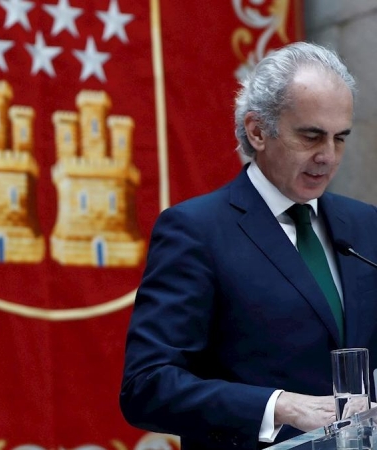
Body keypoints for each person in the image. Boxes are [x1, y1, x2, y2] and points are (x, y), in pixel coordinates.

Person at [119, 41, 377, 449]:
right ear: (258, 131)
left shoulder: (365, 227)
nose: (328, 156)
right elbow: (148, 385)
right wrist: (279, 406)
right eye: (311, 136)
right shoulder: (196, 231)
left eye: (339, 138)